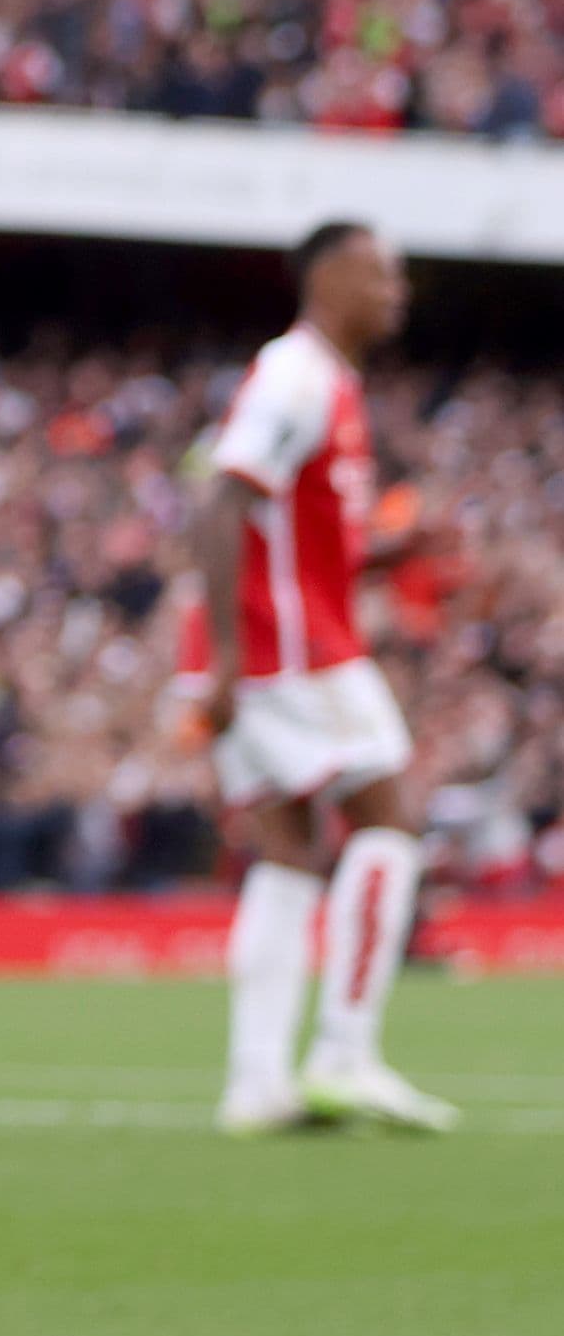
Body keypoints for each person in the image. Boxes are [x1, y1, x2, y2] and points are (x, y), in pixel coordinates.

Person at [187, 223, 455, 1135]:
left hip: (272, 644)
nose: (398, 291)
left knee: (290, 849)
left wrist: (391, 553)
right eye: (383, 273)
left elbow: (300, 546)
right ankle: (346, 1052)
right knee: (392, 816)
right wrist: (226, 654)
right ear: (332, 277)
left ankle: (256, 1083)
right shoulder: (296, 377)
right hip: (287, 652)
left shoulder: (330, 385)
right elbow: (223, 497)